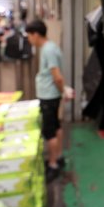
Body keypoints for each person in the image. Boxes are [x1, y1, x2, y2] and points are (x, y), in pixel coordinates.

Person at [25, 20, 73, 182]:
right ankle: (58, 157)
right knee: (56, 126)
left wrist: (63, 90)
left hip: (48, 96)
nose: (29, 40)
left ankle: (52, 165)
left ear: (36, 34)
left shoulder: (48, 50)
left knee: (49, 131)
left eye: (29, 36)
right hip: (51, 95)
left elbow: (57, 76)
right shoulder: (50, 47)